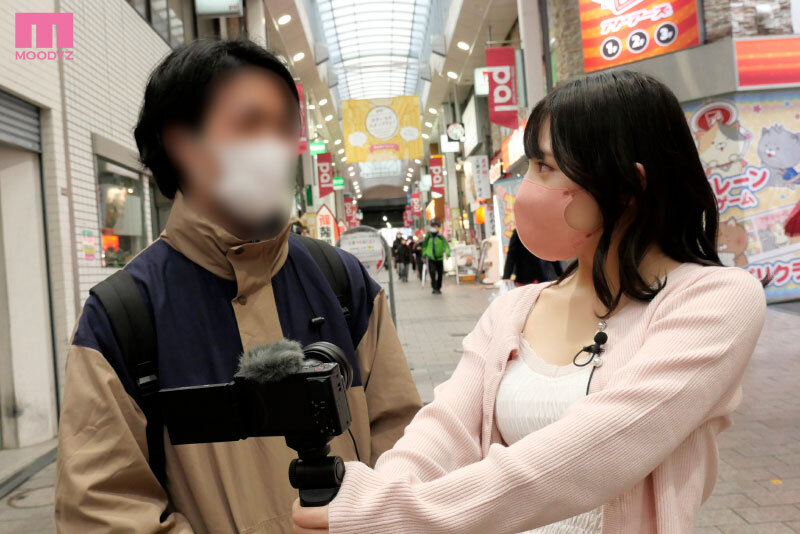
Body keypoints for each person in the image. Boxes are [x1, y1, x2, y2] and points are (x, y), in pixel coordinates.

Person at [292, 71, 767, 533]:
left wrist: (396, 513)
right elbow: (443, 429)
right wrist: (378, 499)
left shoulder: (714, 300)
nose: (526, 188)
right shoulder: (513, 310)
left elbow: (593, 453)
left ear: (627, 187)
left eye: (545, 168)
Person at [54, 40, 422, 534]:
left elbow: (406, 444)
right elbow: (104, 509)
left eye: (284, 129)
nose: (274, 148)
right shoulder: (121, 317)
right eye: (250, 125)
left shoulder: (342, 281)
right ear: (182, 142)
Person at [422, 221, 449, 294]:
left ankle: (438, 287)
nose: (435, 228)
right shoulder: (428, 237)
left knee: (440, 274)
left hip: (439, 258)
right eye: (433, 226)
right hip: (431, 259)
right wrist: (424, 255)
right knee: (432, 273)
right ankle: (434, 287)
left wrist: (447, 253)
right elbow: (424, 246)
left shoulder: (440, 237)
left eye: (436, 226)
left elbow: (446, 245)